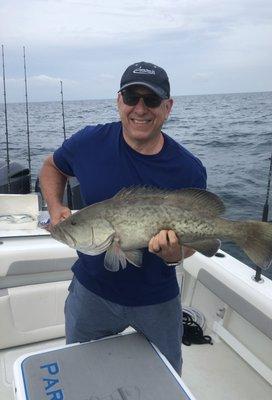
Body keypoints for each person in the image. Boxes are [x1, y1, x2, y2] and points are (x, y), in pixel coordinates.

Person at [39, 61, 207, 375]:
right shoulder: (88, 142)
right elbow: (52, 167)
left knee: (167, 377)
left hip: (157, 299)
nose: (140, 108)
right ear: (119, 101)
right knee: (80, 370)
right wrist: (55, 208)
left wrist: (176, 254)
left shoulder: (188, 169)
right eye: (132, 98)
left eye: (152, 100)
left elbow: (197, 239)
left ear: (167, 107)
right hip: (91, 292)